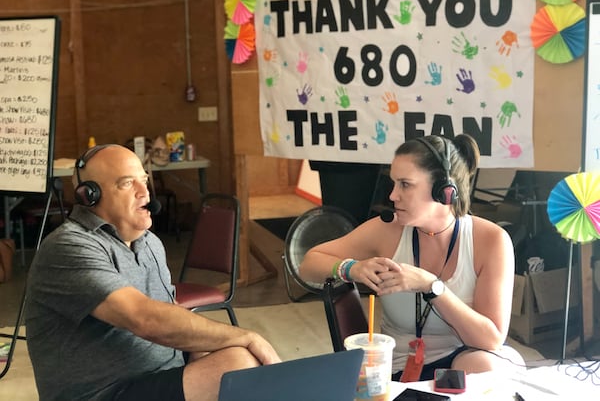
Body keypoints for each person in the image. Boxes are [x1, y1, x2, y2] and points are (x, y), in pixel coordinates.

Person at [25, 144, 281, 401]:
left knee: (234, 358)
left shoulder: (149, 243)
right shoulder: (69, 246)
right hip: (106, 392)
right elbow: (142, 317)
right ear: (89, 195)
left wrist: (202, 347)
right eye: (127, 183)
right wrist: (246, 336)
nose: (144, 191)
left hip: (158, 377)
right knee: (238, 363)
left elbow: (169, 310)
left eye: (144, 180)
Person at [299, 134, 524, 381]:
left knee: (484, 365)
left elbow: (490, 340)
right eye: (393, 183)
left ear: (445, 190)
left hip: (463, 358)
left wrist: (431, 286)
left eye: (405, 184)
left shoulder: (491, 240)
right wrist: (350, 268)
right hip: (398, 369)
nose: (393, 195)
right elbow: (308, 263)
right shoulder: (386, 230)